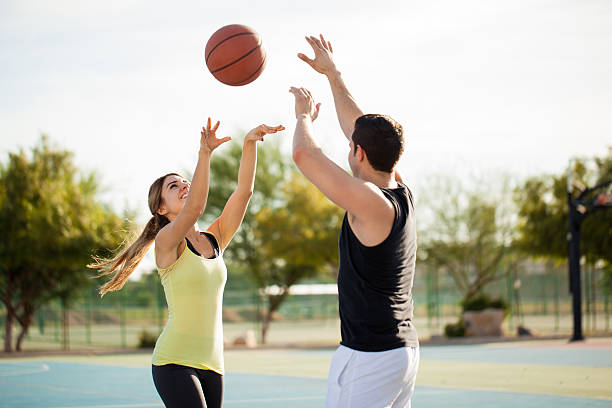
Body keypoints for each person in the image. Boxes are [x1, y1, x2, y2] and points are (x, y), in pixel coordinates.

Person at [88, 118, 284, 408]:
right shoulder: (167, 241)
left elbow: (244, 193)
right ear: (161, 208)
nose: (184, 186)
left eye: (185, 182)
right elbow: (195, 207)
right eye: (173, 186)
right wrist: (204, 153)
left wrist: (250, 143)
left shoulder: (215, 238)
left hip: (213, 363)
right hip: (173, 361)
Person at [290, 35, 419, 408]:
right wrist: (332, 74)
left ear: (359, 153)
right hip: (398, 352)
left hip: (370, 357)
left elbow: (304, 154)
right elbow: (358, 128)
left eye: (351, 146)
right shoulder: (399, 188)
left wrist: (302, 115)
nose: (349, 146)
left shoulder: (371, 202)